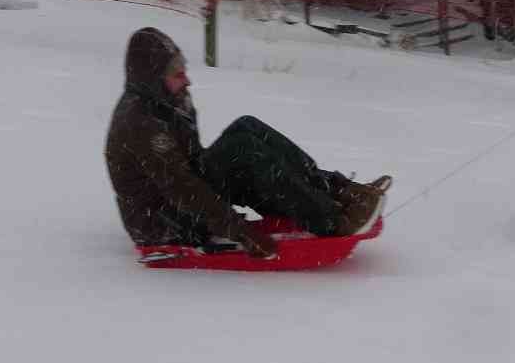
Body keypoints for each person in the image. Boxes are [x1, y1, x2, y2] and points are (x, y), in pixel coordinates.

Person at [105, 27, 391, 258]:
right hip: (163, 222)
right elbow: (181, 187)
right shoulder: (141, 123)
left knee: (246, 126)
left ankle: (338, 192)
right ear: (153, 78)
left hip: (182, 198)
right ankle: (331, 222)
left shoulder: (167, 100)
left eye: (184, 69)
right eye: (177, 73)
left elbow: (191, 167)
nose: (187, 80)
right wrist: (240, 231)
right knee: (241, 150)